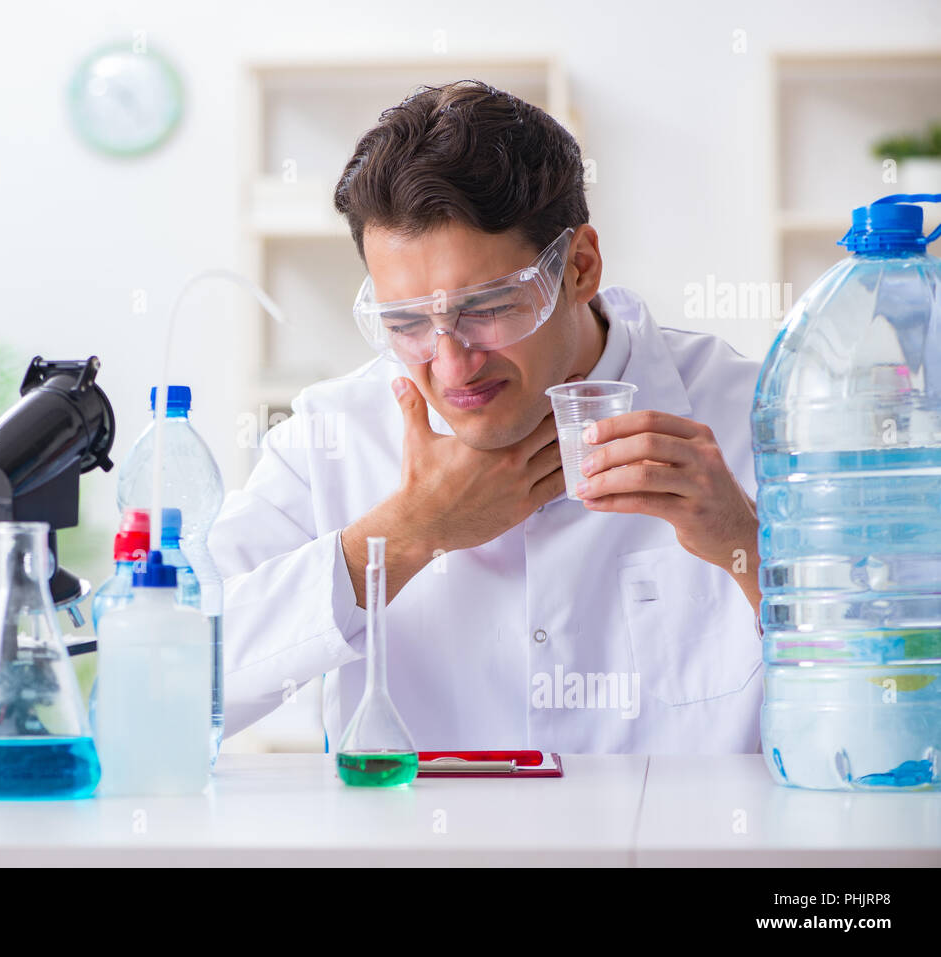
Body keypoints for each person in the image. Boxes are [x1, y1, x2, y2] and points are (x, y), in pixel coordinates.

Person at [209, 80, 764, 753]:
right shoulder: (333, 439)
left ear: (580, 266)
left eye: (489, 308)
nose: (451, 365)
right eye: (407, 321)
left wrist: (753, 547)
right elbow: (169, 696)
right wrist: (403, 535)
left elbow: (904, 707)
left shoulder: (752, 416)